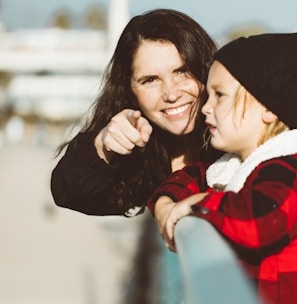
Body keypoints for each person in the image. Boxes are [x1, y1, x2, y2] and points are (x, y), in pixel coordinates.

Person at [147, 33, 297, 303]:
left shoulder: (289, 168)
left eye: (219, 95)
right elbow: (196, 175)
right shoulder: (233, 166)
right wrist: (166, 201)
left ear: (268, 108)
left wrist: (198, 204)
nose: (205, 108)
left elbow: (262, 219)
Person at [51, 9, 220, 216]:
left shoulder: (248, 138)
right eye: (150, 80)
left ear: (207, 70)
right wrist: (102, 145)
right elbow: (68, 192)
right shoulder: (138, 159)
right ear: (131, 94)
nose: (171, 94)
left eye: (182, 72)